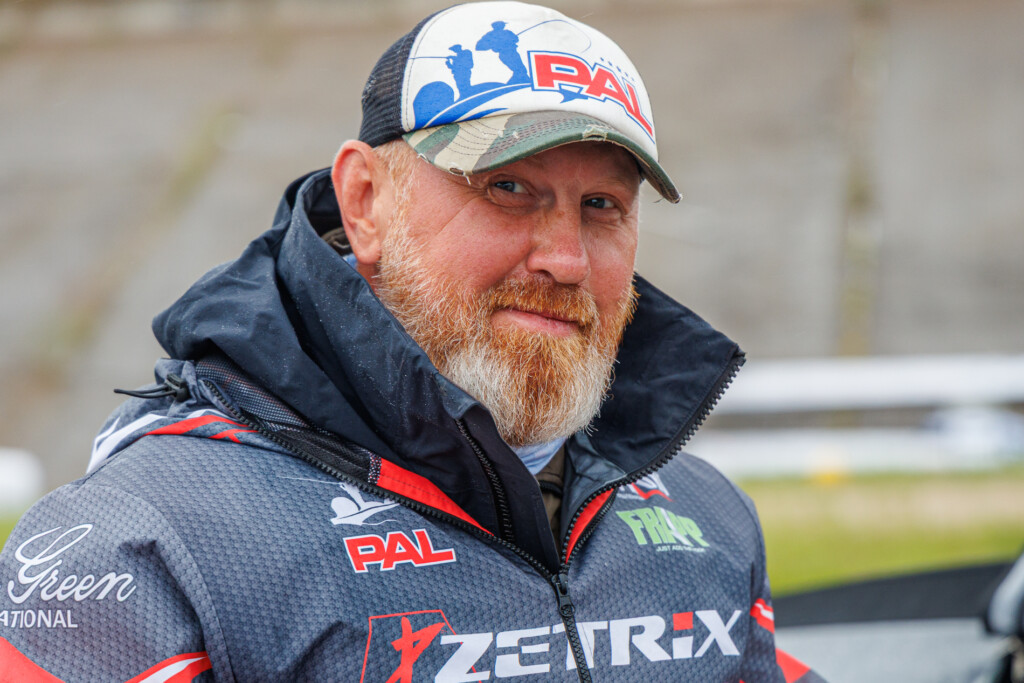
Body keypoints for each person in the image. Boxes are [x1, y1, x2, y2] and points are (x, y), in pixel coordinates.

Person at [0, 2, 824, 681]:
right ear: (365, 202)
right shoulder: (148, 543)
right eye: (509, 187)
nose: (566, 259)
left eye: (601, 205)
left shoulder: (709, 519)